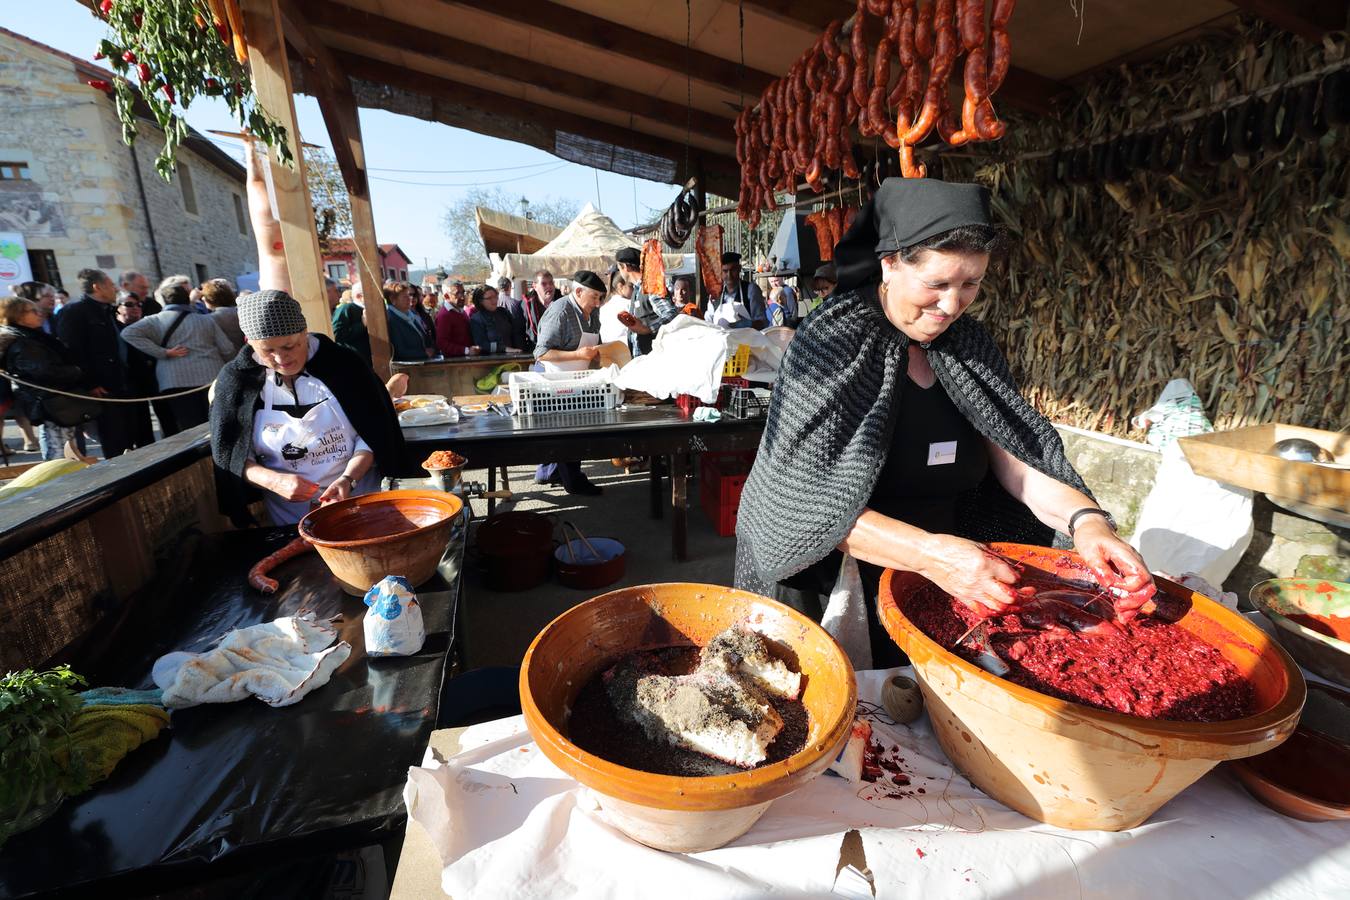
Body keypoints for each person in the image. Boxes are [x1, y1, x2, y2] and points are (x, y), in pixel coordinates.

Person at [734, 179, 1154, 667]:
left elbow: (1018, 461)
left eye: (970, 283)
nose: (952, 305)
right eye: (936, 284)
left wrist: (1089, 524)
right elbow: (800, 504)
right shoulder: (833, 343)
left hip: (949, 576)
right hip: (835, 579)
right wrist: (931, 556)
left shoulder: (966, 344)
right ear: (890, 263)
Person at [211, 137, 406, 527]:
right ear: (250, 345)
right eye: (269, 352)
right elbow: (230, 454)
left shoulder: (341, 364)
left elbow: (374, 428)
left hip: (359, 501)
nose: (283, 358)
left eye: (291, 345)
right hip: (288, 519)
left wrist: (348, 478)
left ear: (305, 333)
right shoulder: (236, 380)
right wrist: (271, 479)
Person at [121, 278, 235, 436]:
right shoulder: (205, 320)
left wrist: (163, 352)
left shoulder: (154, 321)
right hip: (210, 376)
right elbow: (227, 348)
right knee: (218, 424)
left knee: (190, 430)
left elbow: (128, 333)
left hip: (174, 381)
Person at [531, 270, 606, 496]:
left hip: (575, 378)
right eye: (594, 297)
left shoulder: (593, 313)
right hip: (552, 379)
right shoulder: (560, 311)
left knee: (567, 431)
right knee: (569, 432)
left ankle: (548, 473)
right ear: (579, 291)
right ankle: (574, 482)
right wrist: (578, 355)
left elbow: (596, 344)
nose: (597, 303)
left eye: (600, 298)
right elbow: (540, 352)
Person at [0, 296, 98, 459]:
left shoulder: (32, 338)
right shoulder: (23, 343)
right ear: (18, 315)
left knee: (68, 447)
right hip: (49, 403)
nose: (40, 314)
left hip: (56, 400)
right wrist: (76, 371)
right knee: (59, 452)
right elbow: (44, 371)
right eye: (33, 311)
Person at [58, 268, 139, 458]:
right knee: (114, 438)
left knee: (129, 435)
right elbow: (72, 351)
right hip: (102, 386)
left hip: (122, 382)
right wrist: (90, 383)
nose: (115, 289)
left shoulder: (108, 311)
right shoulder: (74, 312)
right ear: (98, 287)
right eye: (111, 285)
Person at [614, 247, 678, 356]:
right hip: (643, 361)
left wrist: (647, 329)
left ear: (625, 267)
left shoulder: (651, 286)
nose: (619, 272)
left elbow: (671, 315)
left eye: (619, 268)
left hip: (656, 361)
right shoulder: (637, 290)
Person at [114, 293, 157, 447]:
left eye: (138, 304)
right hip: (127, 388)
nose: (136, 308)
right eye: (129, 304)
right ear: (118, 308)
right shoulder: (115, 330)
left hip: (150, 385)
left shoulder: (148, 326)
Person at [705, 252, 767, 329]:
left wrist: (750, 324)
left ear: (739, 269)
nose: (729, 275)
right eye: (725, 271)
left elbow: (763, 323)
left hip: (746, 340)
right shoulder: (716, 294)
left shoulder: (751, 290)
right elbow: (708, 323)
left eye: (732, 270)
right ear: (720, 272)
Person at [505, 269, 552, 353]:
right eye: (544, 284)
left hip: (560, 353)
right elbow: (518, 332)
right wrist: (524, 353)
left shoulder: (562, 302)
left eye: (551, 283)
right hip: (535, 352)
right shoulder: (525, 305)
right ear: (535, 286)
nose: (549, 286)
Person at [384, 281, 433, 362]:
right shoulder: (391, 319)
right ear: (393, 299)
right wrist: (424, 353)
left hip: (422, 363)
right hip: (408, 368)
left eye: (408, 295)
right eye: (405, 297)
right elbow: (399, 352)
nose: (409, 299)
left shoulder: (410, 315)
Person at [468, 285, 521, 355]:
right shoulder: (476, 319)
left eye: (495, 297)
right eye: (489, 298)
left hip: (513, 356)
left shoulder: (503, 312)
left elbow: (515, 333)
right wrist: (503, 348)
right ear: (480, 301)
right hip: (492, 360)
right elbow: (481, 345)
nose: (494, 300)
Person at [332, 277, 372, 365]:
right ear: (359, 296)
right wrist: (362, 324)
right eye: (370, 294)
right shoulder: (346, 309)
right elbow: (337, 335)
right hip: (354, 361)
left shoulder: (371, 309)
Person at [434, 281, 479, 358]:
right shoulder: (444, 315)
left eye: (463, 292)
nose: (462, 297)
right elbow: (442, 343)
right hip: (455, 362)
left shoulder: (460, 310)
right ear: (446, 296)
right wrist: (466, 350)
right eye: (457, 293)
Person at [202, 278, 246, 354]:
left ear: (211, 298)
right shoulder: (241, 311)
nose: (202, 298)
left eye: (204, 296)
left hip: (227, 359)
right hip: (248, 354)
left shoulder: (211, 319)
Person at [599, 270, 635, 345]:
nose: (634, 290)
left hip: (607, 347)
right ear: (620, 286)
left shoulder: (604, 307)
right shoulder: (629, 304)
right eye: (631, 286)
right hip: (625, 347)